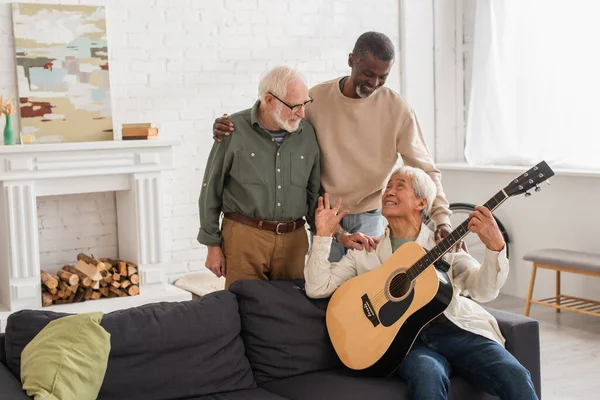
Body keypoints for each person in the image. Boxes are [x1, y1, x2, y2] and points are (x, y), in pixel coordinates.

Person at [211, 31, 453, 262]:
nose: (374, 83)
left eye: (383, 77)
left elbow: (426, 169)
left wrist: (442, 220)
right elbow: (276, 115)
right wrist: (233, 124)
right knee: (323, 291)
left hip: (370, 215)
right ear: (351, 60)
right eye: (368, 74)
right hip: (326, 215)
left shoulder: (397, 109)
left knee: (365, 290)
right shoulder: (317, 99)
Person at [304, 166, 538, 400]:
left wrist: (495, 247)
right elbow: (317, 287)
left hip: (456, 331)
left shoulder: (445, 244)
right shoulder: (366, 251)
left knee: (514, 374)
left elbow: (484, 290)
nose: (389, 192)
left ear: (421, 202)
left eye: (399, 186)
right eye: (387, 187)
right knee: (428, 375)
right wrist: (324, 235)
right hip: (407, 343)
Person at [197, 65, 320, 289]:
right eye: (295, 106)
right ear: (269, 99)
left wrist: (324, 238)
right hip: (245, 238)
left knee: (291, 312)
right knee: (244, 309)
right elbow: (210, 188)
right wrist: (212, 245)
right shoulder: (233, 130)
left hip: (294, 240)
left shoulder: (308, 134)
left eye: (305, 103)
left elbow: (313, 192)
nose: (302, 113)